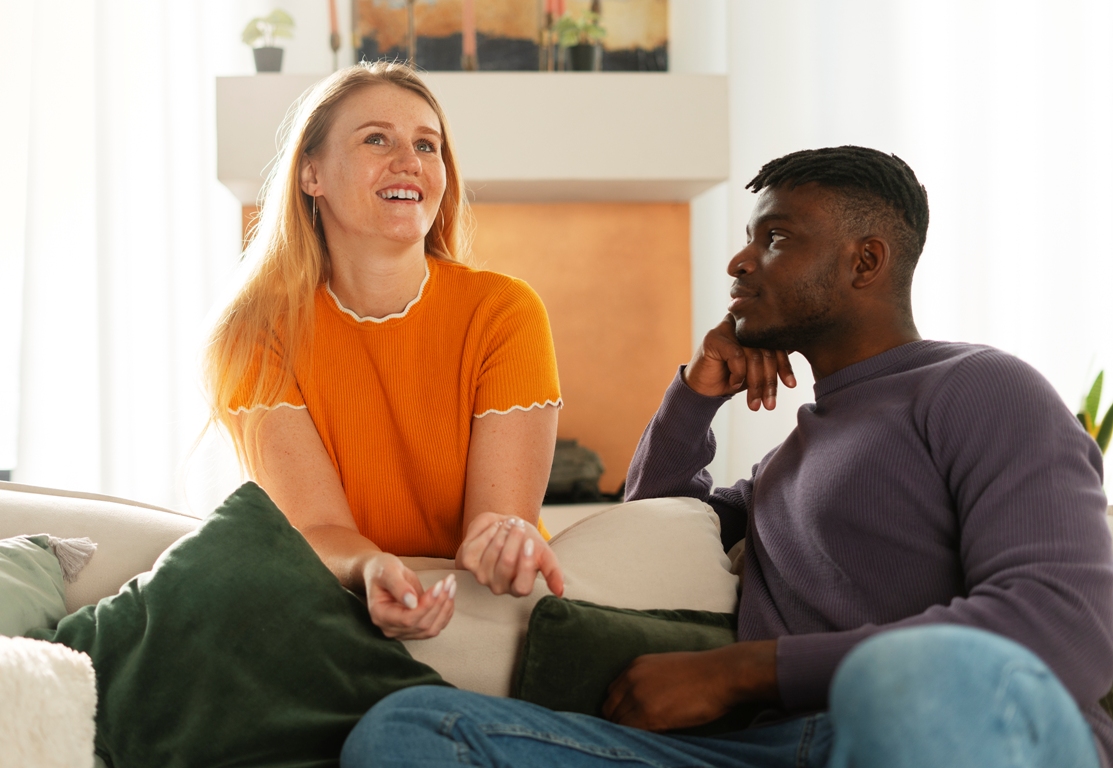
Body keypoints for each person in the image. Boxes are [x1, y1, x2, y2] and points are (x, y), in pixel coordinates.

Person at [339, 146, 1113, 767]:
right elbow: (652, 528)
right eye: (747, 240)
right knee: (418, 727)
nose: (739, 264)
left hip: (936, 731)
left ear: (865, 262)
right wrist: (693, 396)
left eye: (773, 238)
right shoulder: (788, 464)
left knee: (904, 681)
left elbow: (1066, 622)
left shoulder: (980, 388)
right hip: (767, 748)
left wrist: (744, 670)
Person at [203, 61, 564, 641]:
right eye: (377, 138)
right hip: (341, 599)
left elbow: (498, 520)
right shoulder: (255, 332)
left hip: (488, 610)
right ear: (311, 174)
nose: (411, 161)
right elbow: (317, 526)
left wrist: (500, 543)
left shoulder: (504, 312)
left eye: (428, 145)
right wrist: (373, 569)